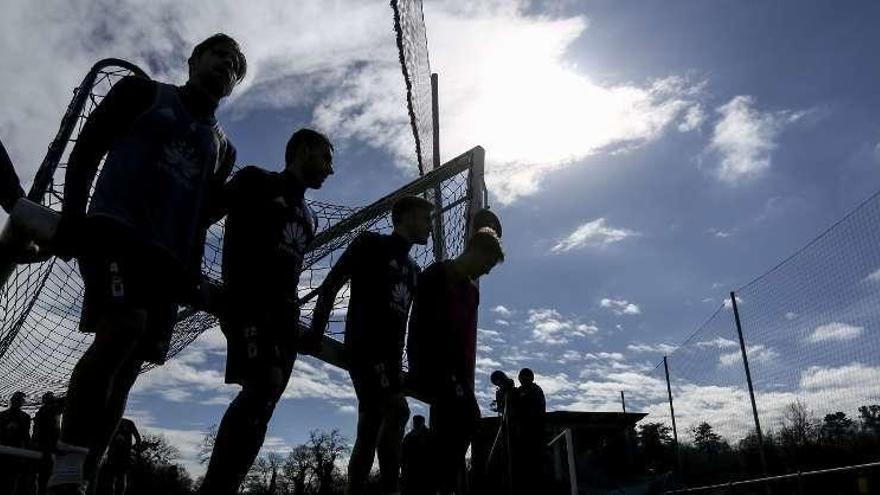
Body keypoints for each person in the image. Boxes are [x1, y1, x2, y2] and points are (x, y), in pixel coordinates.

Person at [48, 33, 246, 494]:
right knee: (123, 326)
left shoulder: (224, 149)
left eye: (235, 67)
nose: (226, 67)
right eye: (219, 56)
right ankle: (68, 460)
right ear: (195, 59)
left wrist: (194, 273)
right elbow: (87, 150)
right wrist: (74, 221)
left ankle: (86, 473)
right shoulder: (142, 93)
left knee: (129, 365)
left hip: (169, 263)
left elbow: (201, 215)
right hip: (114, 232)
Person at [198, 128, 335, 494]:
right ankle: (214, 487)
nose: (330, 169)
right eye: (325, 157)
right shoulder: (255, 180)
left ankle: (227, 484)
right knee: (261, 388)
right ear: (302, 149)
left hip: (284, 318)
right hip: (247, 303)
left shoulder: (310, 216)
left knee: (266, 403)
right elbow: (207, 213)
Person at [309, 195, 435, 495]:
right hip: (365, 347)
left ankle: (373, 487)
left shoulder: (414, 270)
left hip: (391, 360)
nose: (430, 225)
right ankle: (384, 488)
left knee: (377, 424)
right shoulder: (370, 244)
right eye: (426, 218)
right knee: (392, 410)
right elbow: (331, 284)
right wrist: (316, 329)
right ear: (405, 217)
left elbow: (414, 326)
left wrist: (412, 368)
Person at [407, 227, 504, 495]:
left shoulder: (472, 293)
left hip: (455, 373)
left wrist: (461, 378)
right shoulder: (437, 274)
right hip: (431, 363)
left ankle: (443, 484)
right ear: (476, 251)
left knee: (470, 424)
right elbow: (419, 323)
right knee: (458, 423)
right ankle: (433, 484)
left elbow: (463, 340)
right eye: (487, 264)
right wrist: (420, 363)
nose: (486, 271)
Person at [512, 368, 546, 494]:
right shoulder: (520, 391)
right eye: (522, 377)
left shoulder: (535, 390)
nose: (523, 379)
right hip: (521, 435)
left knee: (534, 467)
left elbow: (532, 408)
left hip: (534, 434)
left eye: (525, 377)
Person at [0, 391, 33, 494]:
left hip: (15, 454)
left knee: (13, 482)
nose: (17, 402)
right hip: (8, 453)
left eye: (19, 400)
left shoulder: (24, 417)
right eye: (16, 400)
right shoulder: (3, 416)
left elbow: (26, 437)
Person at [98, 418, 140, 495]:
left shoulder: (112, 423)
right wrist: (131, 449)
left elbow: (138, 439)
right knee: (120, 477)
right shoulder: (128, 423)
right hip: (121, 456)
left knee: (112, 479)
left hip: (115, 456)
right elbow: (138, 439)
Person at [33, 392, 64, 495]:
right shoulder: (50, 410)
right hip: (48, 447)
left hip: (47, 447)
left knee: (44, 476)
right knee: (47, 475)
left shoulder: (43, 411)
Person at [401, 415, 434, 495]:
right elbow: (403, 455)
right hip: (412, 472)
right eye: (416, 422)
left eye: (418, 422)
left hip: (424, 472)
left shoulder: (429, 436)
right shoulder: (409, 437)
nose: (416, 424)